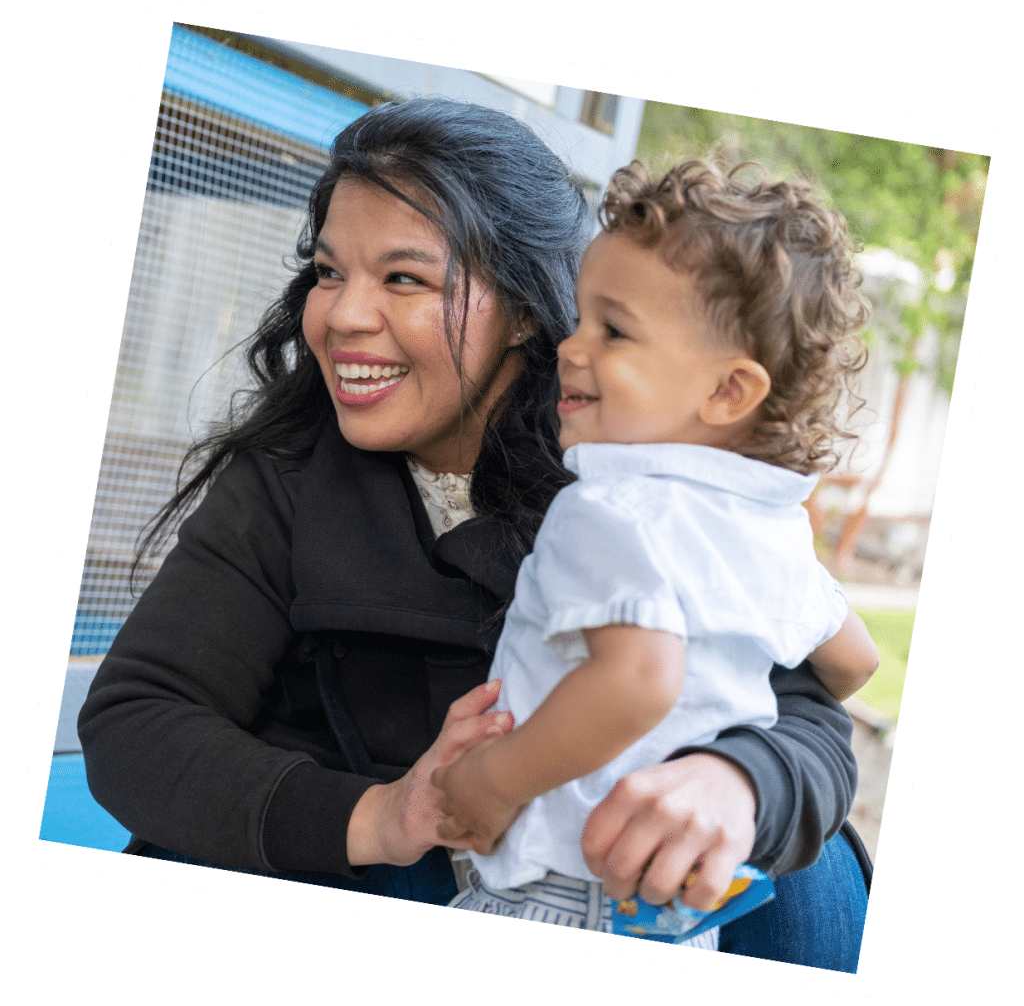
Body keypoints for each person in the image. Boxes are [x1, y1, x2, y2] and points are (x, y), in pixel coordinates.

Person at [78, 98, 869, 970]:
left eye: (405, 279)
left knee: (806, 868)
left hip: (601, 876)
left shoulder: (623, 471)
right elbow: (136, 722)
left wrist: (737, 783)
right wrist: (377, 816)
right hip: (372, 873)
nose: (341, 316)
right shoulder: (286, 478)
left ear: (526, 310)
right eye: (328, 272)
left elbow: (813, 709)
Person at [434, 159, 878, 954]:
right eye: (581, 318)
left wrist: (488, 783)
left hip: (548, 898)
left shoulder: (604, 506)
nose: (571, 348)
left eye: (614, 330)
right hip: (673, 915)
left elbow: (638, 678)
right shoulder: (770, 525)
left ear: (729, 392)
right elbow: (853, 661)